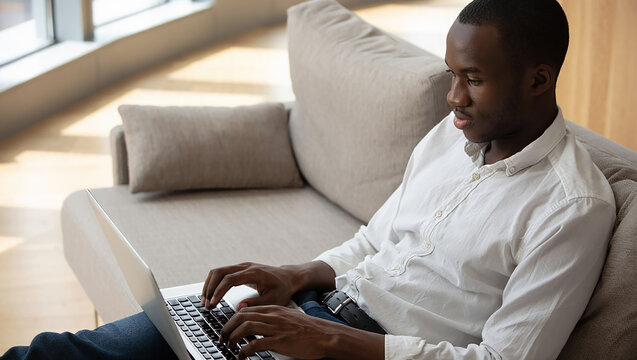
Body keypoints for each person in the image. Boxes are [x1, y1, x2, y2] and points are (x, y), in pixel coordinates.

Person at [2, 0, 616, 359]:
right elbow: (374, 242)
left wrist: (329, 343)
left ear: (538, 79)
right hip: (311, 310)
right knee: (63, 354)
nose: (453, 98)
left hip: (355, 351)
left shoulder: (572, 206)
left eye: (473, 79)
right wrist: (292, 276)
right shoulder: (453, 135)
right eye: (451, 74)